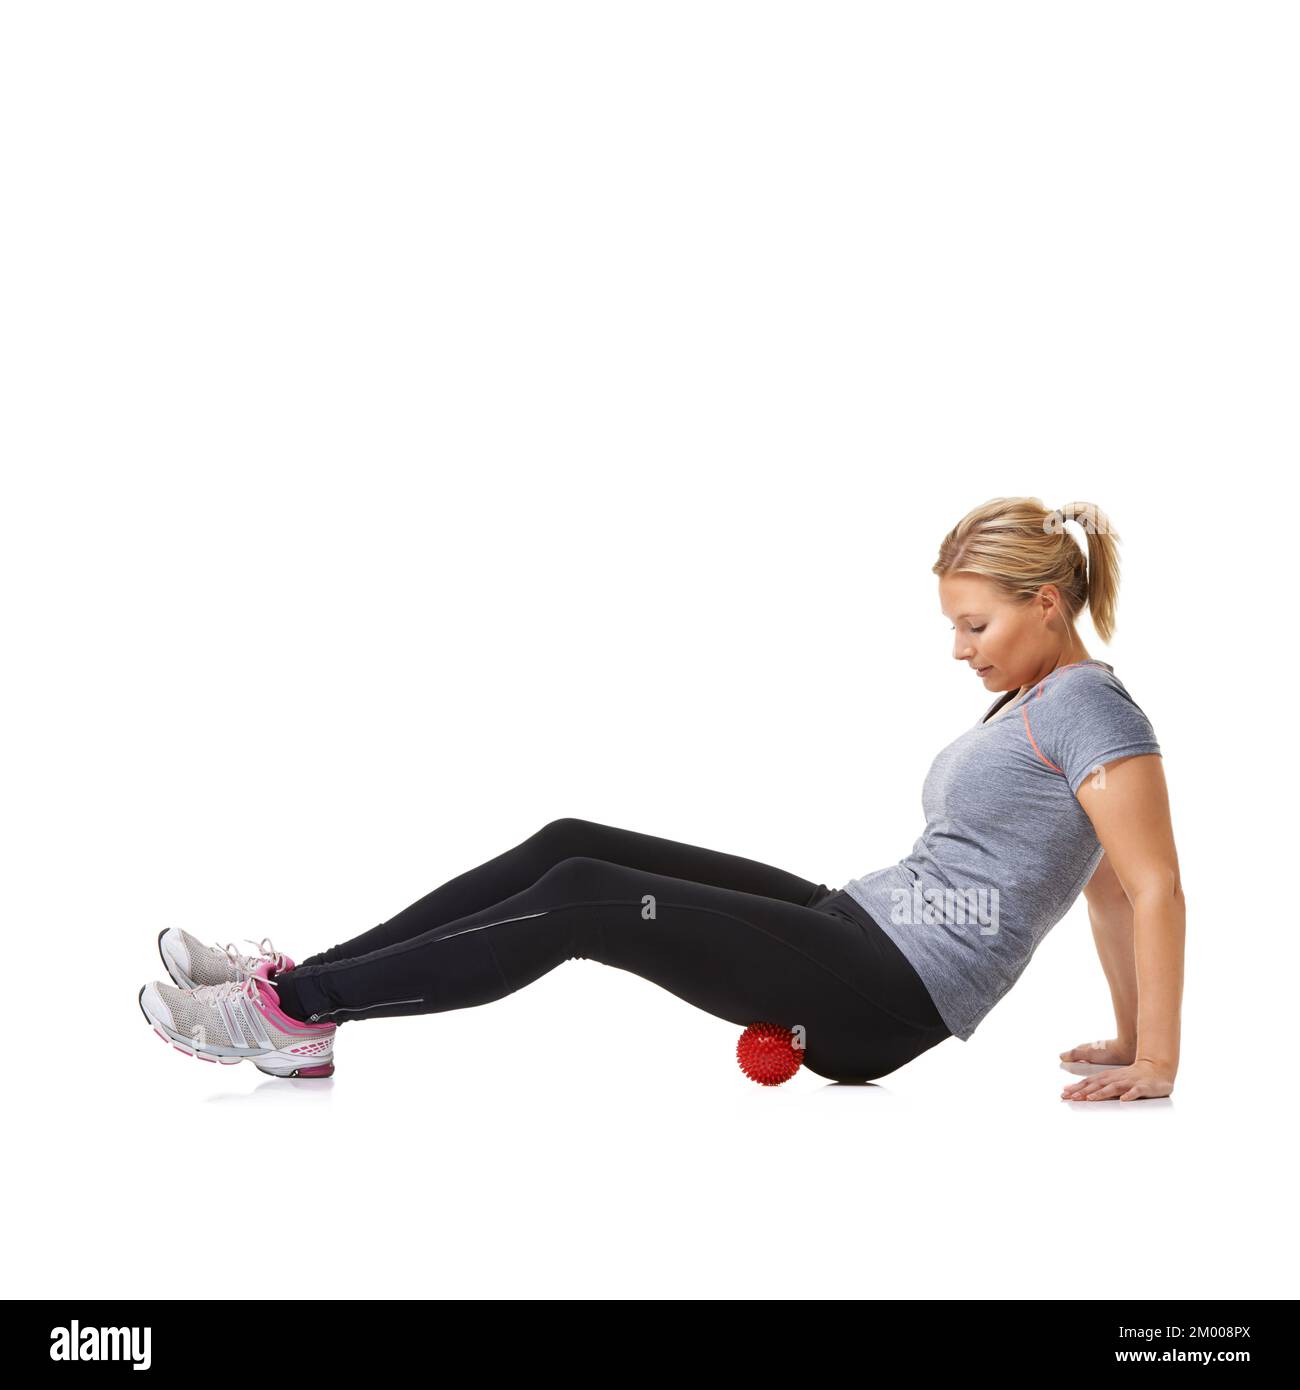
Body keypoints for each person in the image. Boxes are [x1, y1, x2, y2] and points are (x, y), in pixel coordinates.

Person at [138, 496, 1184, 1099]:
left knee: (590, 894)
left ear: (1045, 605)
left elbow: (1152, 888)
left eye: (975, 625)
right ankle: (308, 981)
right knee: (571, 836)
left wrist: (1158, 1061)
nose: (956, 648)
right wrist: (1125, 1034)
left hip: (886, 994)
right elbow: (1099, 886)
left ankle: (290, 1017)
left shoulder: (1089, 707)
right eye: (952, 624)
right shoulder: (1036, 697)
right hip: (855, 922)